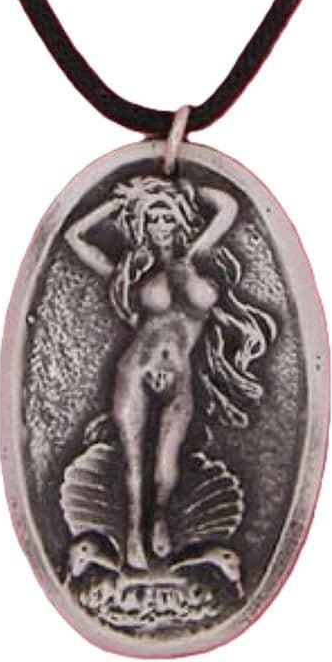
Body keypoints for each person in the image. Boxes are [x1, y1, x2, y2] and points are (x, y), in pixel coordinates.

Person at [65, 176, 276, 571]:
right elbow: (75, 236)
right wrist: (120, 201)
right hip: (136, 370)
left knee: (166, 465)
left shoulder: (198, 259)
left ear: (181, 222)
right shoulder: (131, 272)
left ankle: (159, 517)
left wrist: (185, 189)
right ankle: (133, 535)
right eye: (152, 219)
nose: (160, 226)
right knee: (134, 461)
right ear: (141, 224)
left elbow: (228, 206)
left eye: (167, 218)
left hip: (179, 376)